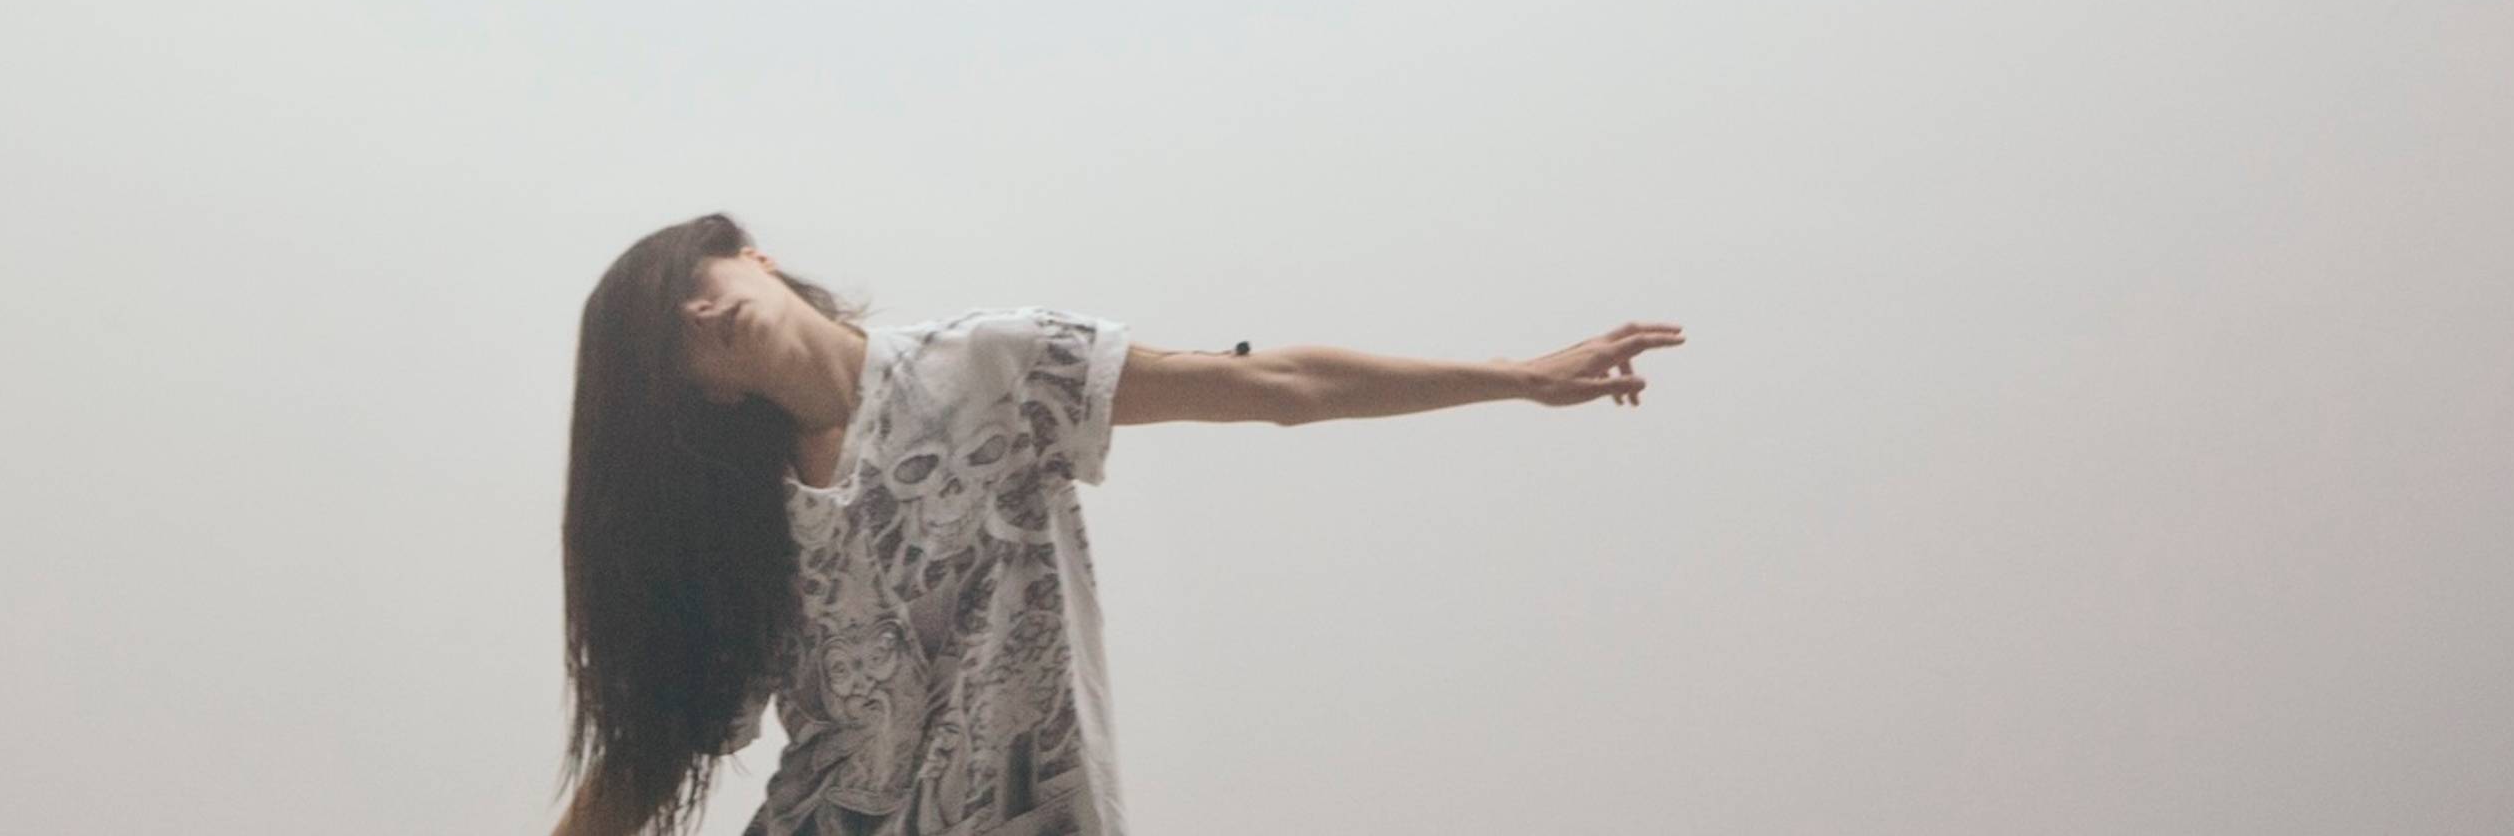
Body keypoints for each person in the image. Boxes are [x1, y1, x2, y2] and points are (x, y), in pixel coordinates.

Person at [553, 212, 1682, 836]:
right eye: (679, 337)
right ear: (700, 389)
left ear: (750, 254)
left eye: (696, 283)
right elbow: (650, 754)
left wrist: (1512, 376)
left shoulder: (996, 368)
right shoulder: (744, 525)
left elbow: (1276, 384)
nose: (704, 314)